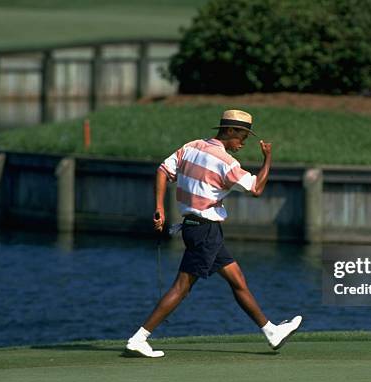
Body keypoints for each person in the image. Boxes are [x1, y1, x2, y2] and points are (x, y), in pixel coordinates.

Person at [125, 109, 303, 357]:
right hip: (205, 231)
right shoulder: (227, 163)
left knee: (237, 280)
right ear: (229, 131)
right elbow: (256, 188)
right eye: (241, 137)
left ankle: (271, 331)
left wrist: (158, 207)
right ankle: (139, 338)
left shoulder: (192, 147)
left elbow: (162, 171)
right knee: (181, 288)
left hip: (196, 229)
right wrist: (268, 158)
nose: (242, 144)